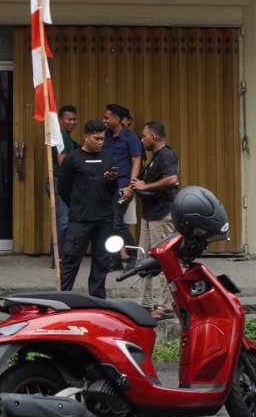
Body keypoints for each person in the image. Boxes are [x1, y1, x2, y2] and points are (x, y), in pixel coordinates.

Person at [56, 118, 119, 297]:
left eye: (102, 138)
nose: (100, 142)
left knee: (102, 260)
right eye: (96, 138)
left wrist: (111, 180)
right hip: (80, 218)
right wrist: (76, 205)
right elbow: (63, 188)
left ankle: (98, 299)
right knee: (71, 258)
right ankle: (63, 297)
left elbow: (113, 190)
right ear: (86, 137)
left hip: (104, 218)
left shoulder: (107, 158)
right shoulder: (72, 158)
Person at [132, 120, 180, 318]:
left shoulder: (166, 155)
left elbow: (172, 179)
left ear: (154, 136)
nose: (142, 140)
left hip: (162, 213)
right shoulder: (155, 158)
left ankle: (166, 306)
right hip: (149, 213)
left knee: (163, 259)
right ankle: (144, 304)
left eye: (144, 136)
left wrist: (146, 186)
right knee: (143, 258)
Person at [102, 103, 142, 263]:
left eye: (107, 117)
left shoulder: (131, 137)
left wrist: (130, 186)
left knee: (117, 221)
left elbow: (136, 161)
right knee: (109, 223)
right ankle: (115, 260)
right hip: (107, 187)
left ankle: (133, 256)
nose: (104, 120)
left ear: (117, 119)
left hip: (122, 188)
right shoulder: (105, 136)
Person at [53, 104, 79, 252]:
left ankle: (57, 255)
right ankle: (61, 257)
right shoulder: (60, 137)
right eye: (69, 119)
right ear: (60, 119)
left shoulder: (66, 137)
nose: (72, 122)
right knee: (64, 222)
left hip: (62, 181)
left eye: (74, 119)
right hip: (60, 181)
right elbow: (62, 161)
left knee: (61, 221)